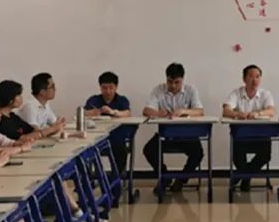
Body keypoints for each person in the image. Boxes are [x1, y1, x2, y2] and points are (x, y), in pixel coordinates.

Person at [142, 63, 205, 193]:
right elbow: (146, 110)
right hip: (165, 136)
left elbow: (200, 111)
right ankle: (164, 177)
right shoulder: (158, 90)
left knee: (198, 153)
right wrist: (158, 113)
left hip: (187, 136)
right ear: (166, 79)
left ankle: (181, 180)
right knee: (149, 150)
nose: (173, 86)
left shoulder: (191, 90)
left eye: (177, 82)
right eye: (170, 82)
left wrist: (183, 111)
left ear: (182, 80)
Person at [222, 64, 276, 192]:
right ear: (244, 79)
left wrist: (258, 113)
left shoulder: (265, 94)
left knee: (265, 155)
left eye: (257, 77)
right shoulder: (236, 93)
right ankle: (245, 177)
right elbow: (226, 110)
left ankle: (241, 177)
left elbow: (271, 111)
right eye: (251, 76)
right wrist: (237, 114)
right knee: (238, 157)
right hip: (241, 136)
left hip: (261, 136)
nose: (254, 80)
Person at [85, 71, 132, 173]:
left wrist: (113, 112)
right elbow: (84, 112)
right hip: (96, 138)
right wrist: (93, 112)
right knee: (83, 151)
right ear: (100, 87)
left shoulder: (122, 100)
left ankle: (116, 177)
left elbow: (128, 113)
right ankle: (90, 178)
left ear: (116, 87)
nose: (108, 91)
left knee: (121, 150)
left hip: (116, 137)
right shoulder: (94, 100)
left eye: (111, 88)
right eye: (104, 88)